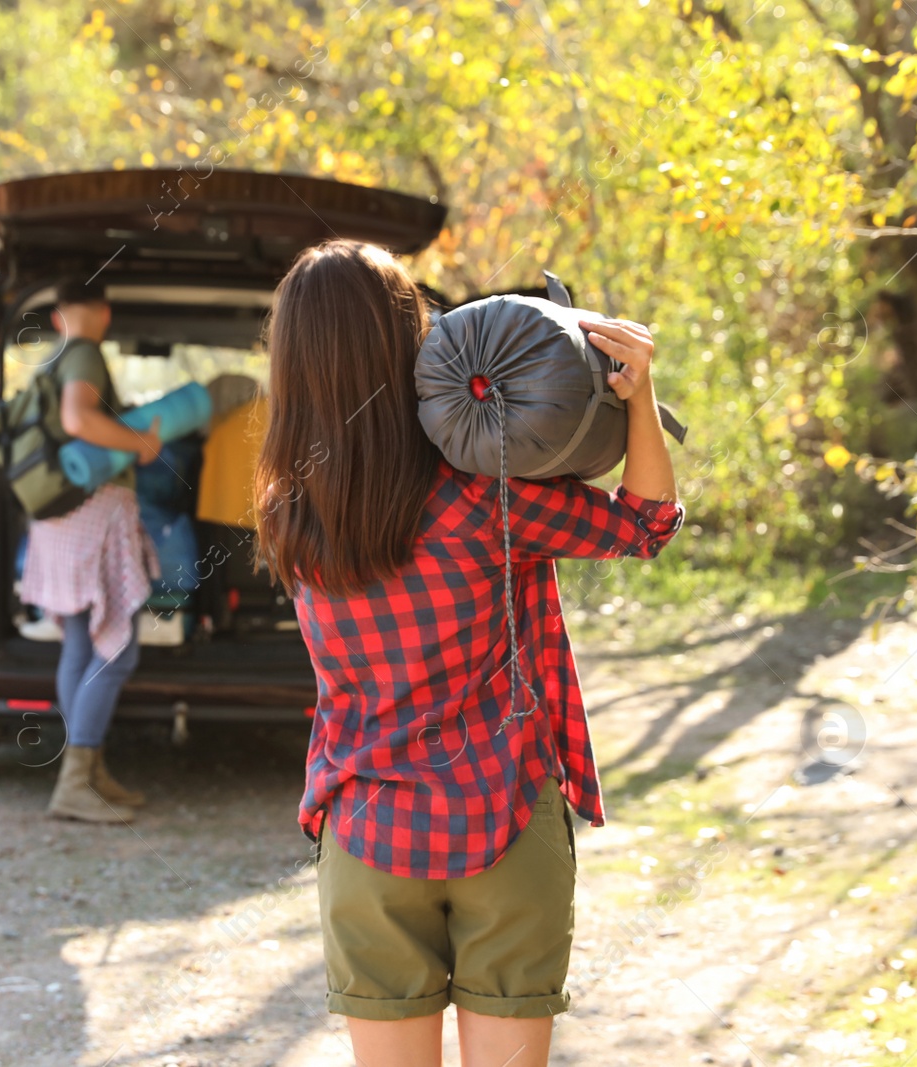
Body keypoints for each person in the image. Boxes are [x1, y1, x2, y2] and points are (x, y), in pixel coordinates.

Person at [255, 241, 683, 1067]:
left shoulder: (287, 512)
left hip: (368, 835)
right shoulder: (488, 492)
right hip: (506, 824)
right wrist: (637, 395)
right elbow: (646, 524)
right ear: (409, 339)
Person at [20, 278, 162, 824]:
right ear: (103, 312)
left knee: (80, 642)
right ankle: (75, 783)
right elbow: (80, 419)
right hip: (91, 516)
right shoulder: (84, 354)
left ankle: (87, 768)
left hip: (56, 519)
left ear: (58, 316)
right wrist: (141, 443)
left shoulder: (53, 359)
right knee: (118, 646)